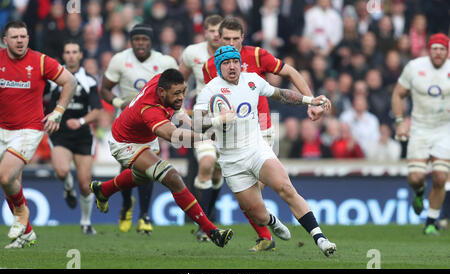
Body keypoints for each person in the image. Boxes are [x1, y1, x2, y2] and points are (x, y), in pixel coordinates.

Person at [195, 45, 336, 256]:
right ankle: (272, 221)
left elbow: (280, 94)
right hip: (232, 162)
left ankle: (320, 238)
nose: (232, 66)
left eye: (234, 61)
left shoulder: (252, 80)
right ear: (218, 67)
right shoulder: (210, 90)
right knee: (259, 216)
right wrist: (219, 119)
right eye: (226, 63)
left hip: (257, 149)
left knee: (286, 188)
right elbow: (197, 124)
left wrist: (309, 99)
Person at [89, 68, 234, 248]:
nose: (181, 97)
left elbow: (181, 116)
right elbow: (172, 135)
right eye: (176, 94)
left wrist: (201, 123)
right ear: (162, 92)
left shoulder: (162, 81)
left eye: (183, 91)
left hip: (146, 139)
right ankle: (210, 230)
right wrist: (207, 136)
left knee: (140, 177)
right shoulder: (150, 109)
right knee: (173, 178)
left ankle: (103, 190)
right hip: (125, 143)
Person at [0, 20, 77, 248]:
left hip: (29, 129)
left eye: (23, 36)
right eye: (15, 37)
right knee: (11, 181)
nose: (20, 40)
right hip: (2, 127)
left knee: (5, 176)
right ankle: (28, 233)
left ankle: (21, 213)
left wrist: (58, 112)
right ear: (6, 41)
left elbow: (70, 81)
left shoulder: (41, 61)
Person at [100, 23, 178, 235]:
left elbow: (176, 91)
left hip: (151, 122)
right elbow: (104, 88)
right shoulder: (120, 60)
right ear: (131, 42)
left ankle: (144, 216)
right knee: (127, 169)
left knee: (150, 168)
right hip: (126, 124)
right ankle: (126, 205)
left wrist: (169, 115)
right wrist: (118, 102)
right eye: (136, 40)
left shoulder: (164, 61)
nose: (140, 43)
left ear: (151, 41)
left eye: (144, 40)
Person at [391, 33, 450, 235]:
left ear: (447, 51)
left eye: (442, 49)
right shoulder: (415, 67)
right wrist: (400, 122)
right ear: (429, 49)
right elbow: (398, 94)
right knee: (416, 177)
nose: (438, 52)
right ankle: (419, 191)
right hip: (420, 128)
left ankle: (430, 223)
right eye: (435, 48)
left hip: (444, 129)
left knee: (441, 177)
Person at [47, 40, 102, 235]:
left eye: (74, 52)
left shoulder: (90, 80)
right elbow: (38, 98)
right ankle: (68, 188)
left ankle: (86, 222)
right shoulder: (52, 79)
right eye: (67, 52)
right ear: (63, 55)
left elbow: (97, 111)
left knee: (85, 184)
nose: (71, 55)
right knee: (62, 172)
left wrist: (80, 122)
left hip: (82, 135)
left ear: (80, 55)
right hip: (59, 132)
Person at [179, 15, 224, 242]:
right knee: (205, 163)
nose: (215, 35)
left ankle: (209, 214)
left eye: (219, 31)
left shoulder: (233, 54)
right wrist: (177, 110)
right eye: (211, 31)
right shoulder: (192, 53)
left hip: (228, 119)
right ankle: (203, 224)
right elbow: (180, 82)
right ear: (204, 32)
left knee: (218, 172)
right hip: (202, 115)